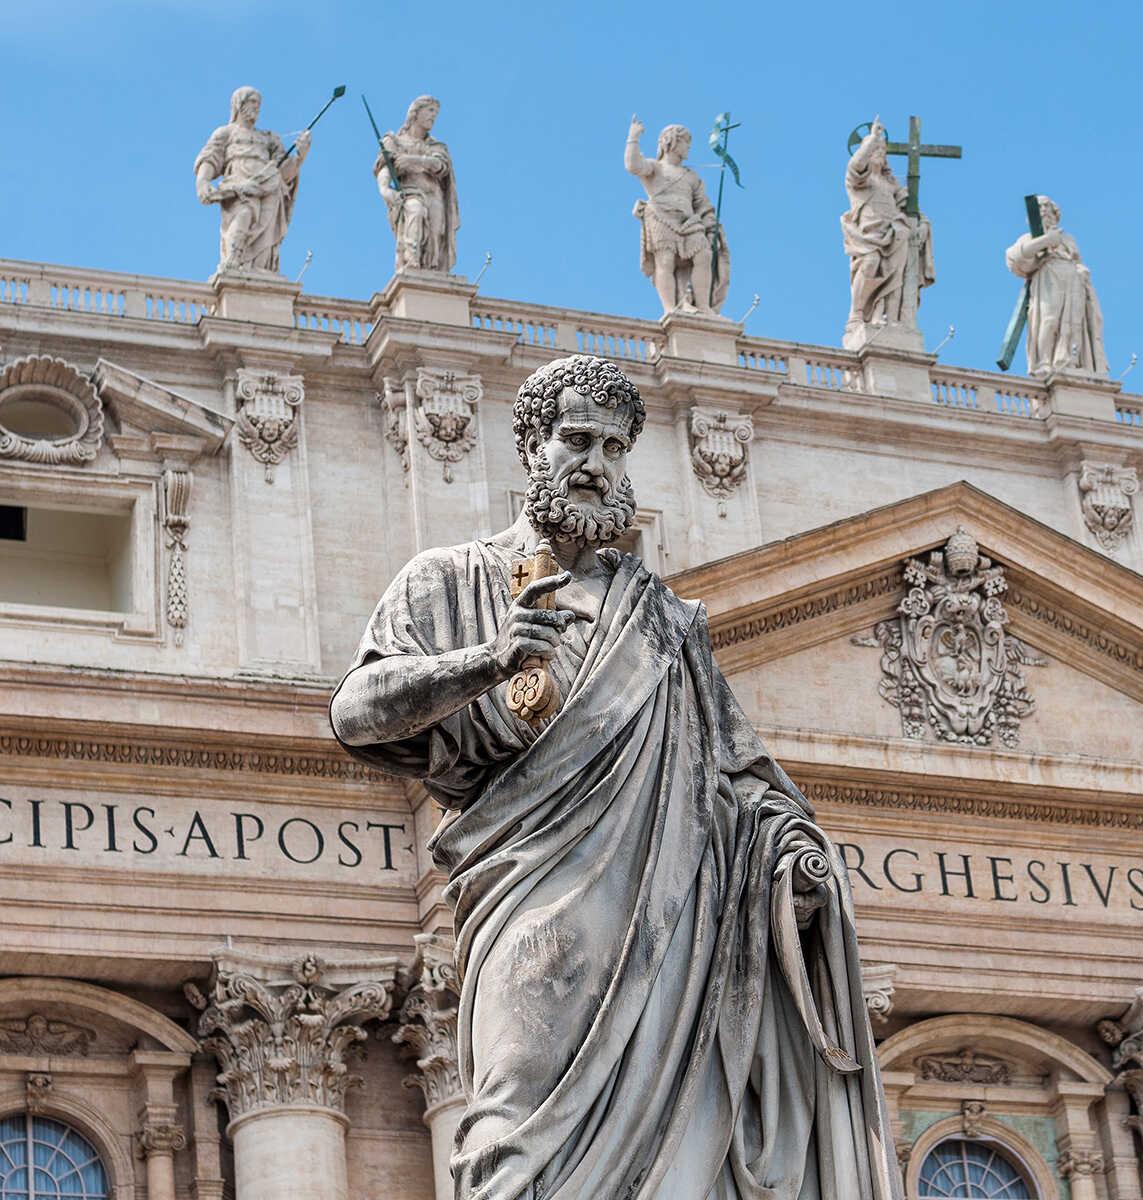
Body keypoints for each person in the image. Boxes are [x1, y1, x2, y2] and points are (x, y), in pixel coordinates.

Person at [330, 355, 900, 1200]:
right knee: (510, 1140)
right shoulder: (453, 580)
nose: (596, 463)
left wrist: (789, 862)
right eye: (576, 439)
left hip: (671, 929)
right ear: (532, 447)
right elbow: (355, 711)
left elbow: (742, 780)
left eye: (615, 447)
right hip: (533, 907)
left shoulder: (668, 623)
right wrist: (487, 662)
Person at [194, 86, 309, 274]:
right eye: (252, 102)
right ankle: (233, 262)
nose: (257, 108)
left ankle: (259, 274)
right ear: (239, 104)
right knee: (244, 215)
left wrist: (300, 156)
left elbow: (283, 172)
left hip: (269, 189)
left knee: (265, 236)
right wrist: (203, 182)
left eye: (258, 104)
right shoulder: (226, 133)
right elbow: (210, 159)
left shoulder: (268, 138)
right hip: (239, 188)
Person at [625, 118, 728, 315]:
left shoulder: (691, 177)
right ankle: (670, 308)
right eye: (685, 142)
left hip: (690, 223)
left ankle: (703, 306)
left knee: (704, 255)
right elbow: (633, 165)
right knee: (665, 261)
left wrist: (711, 229)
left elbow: (703, 206)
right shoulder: (655, 167)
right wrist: (633, 137)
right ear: (672, 142)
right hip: (661, 218)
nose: (688, 147)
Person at [841, 120, 933, 333]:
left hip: (894, 235)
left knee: (896, 274)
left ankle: (888, 317)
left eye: (882, 150)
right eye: (875, 150)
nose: (879, 153)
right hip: (868, 234)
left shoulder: (890, 184)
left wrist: (923, 225)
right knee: (870, 263)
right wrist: (872, 140)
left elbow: (912, 209)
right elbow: (855, 166)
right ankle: (856, 314)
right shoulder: (858, 181)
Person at [1004, 196, 1107, 376]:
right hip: (1048, 278)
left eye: (1050, 212)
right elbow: (1016, 257)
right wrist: (1046, 240)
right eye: (1042, 212)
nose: (1047, 215)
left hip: (1073, 281)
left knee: (1074, 323)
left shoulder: (1068, 240)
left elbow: (1077, 259)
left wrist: (1082, 270)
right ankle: (1043, 361)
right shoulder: (1029, 238)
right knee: (1049, 320)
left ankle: (1071, 362)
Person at [376, 94, 460, 273]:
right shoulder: (394, 141)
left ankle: (431, 277)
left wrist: (412, 160)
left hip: (434, 196)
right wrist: (385, 190)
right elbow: (384, 169)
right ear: (416, 112)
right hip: (410, 193)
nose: (433, 117)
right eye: (430, 111)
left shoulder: (436, 146)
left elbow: (441, 166)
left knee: (435, 240)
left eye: (435, 114)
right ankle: (410, 265)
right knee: (415, 212)